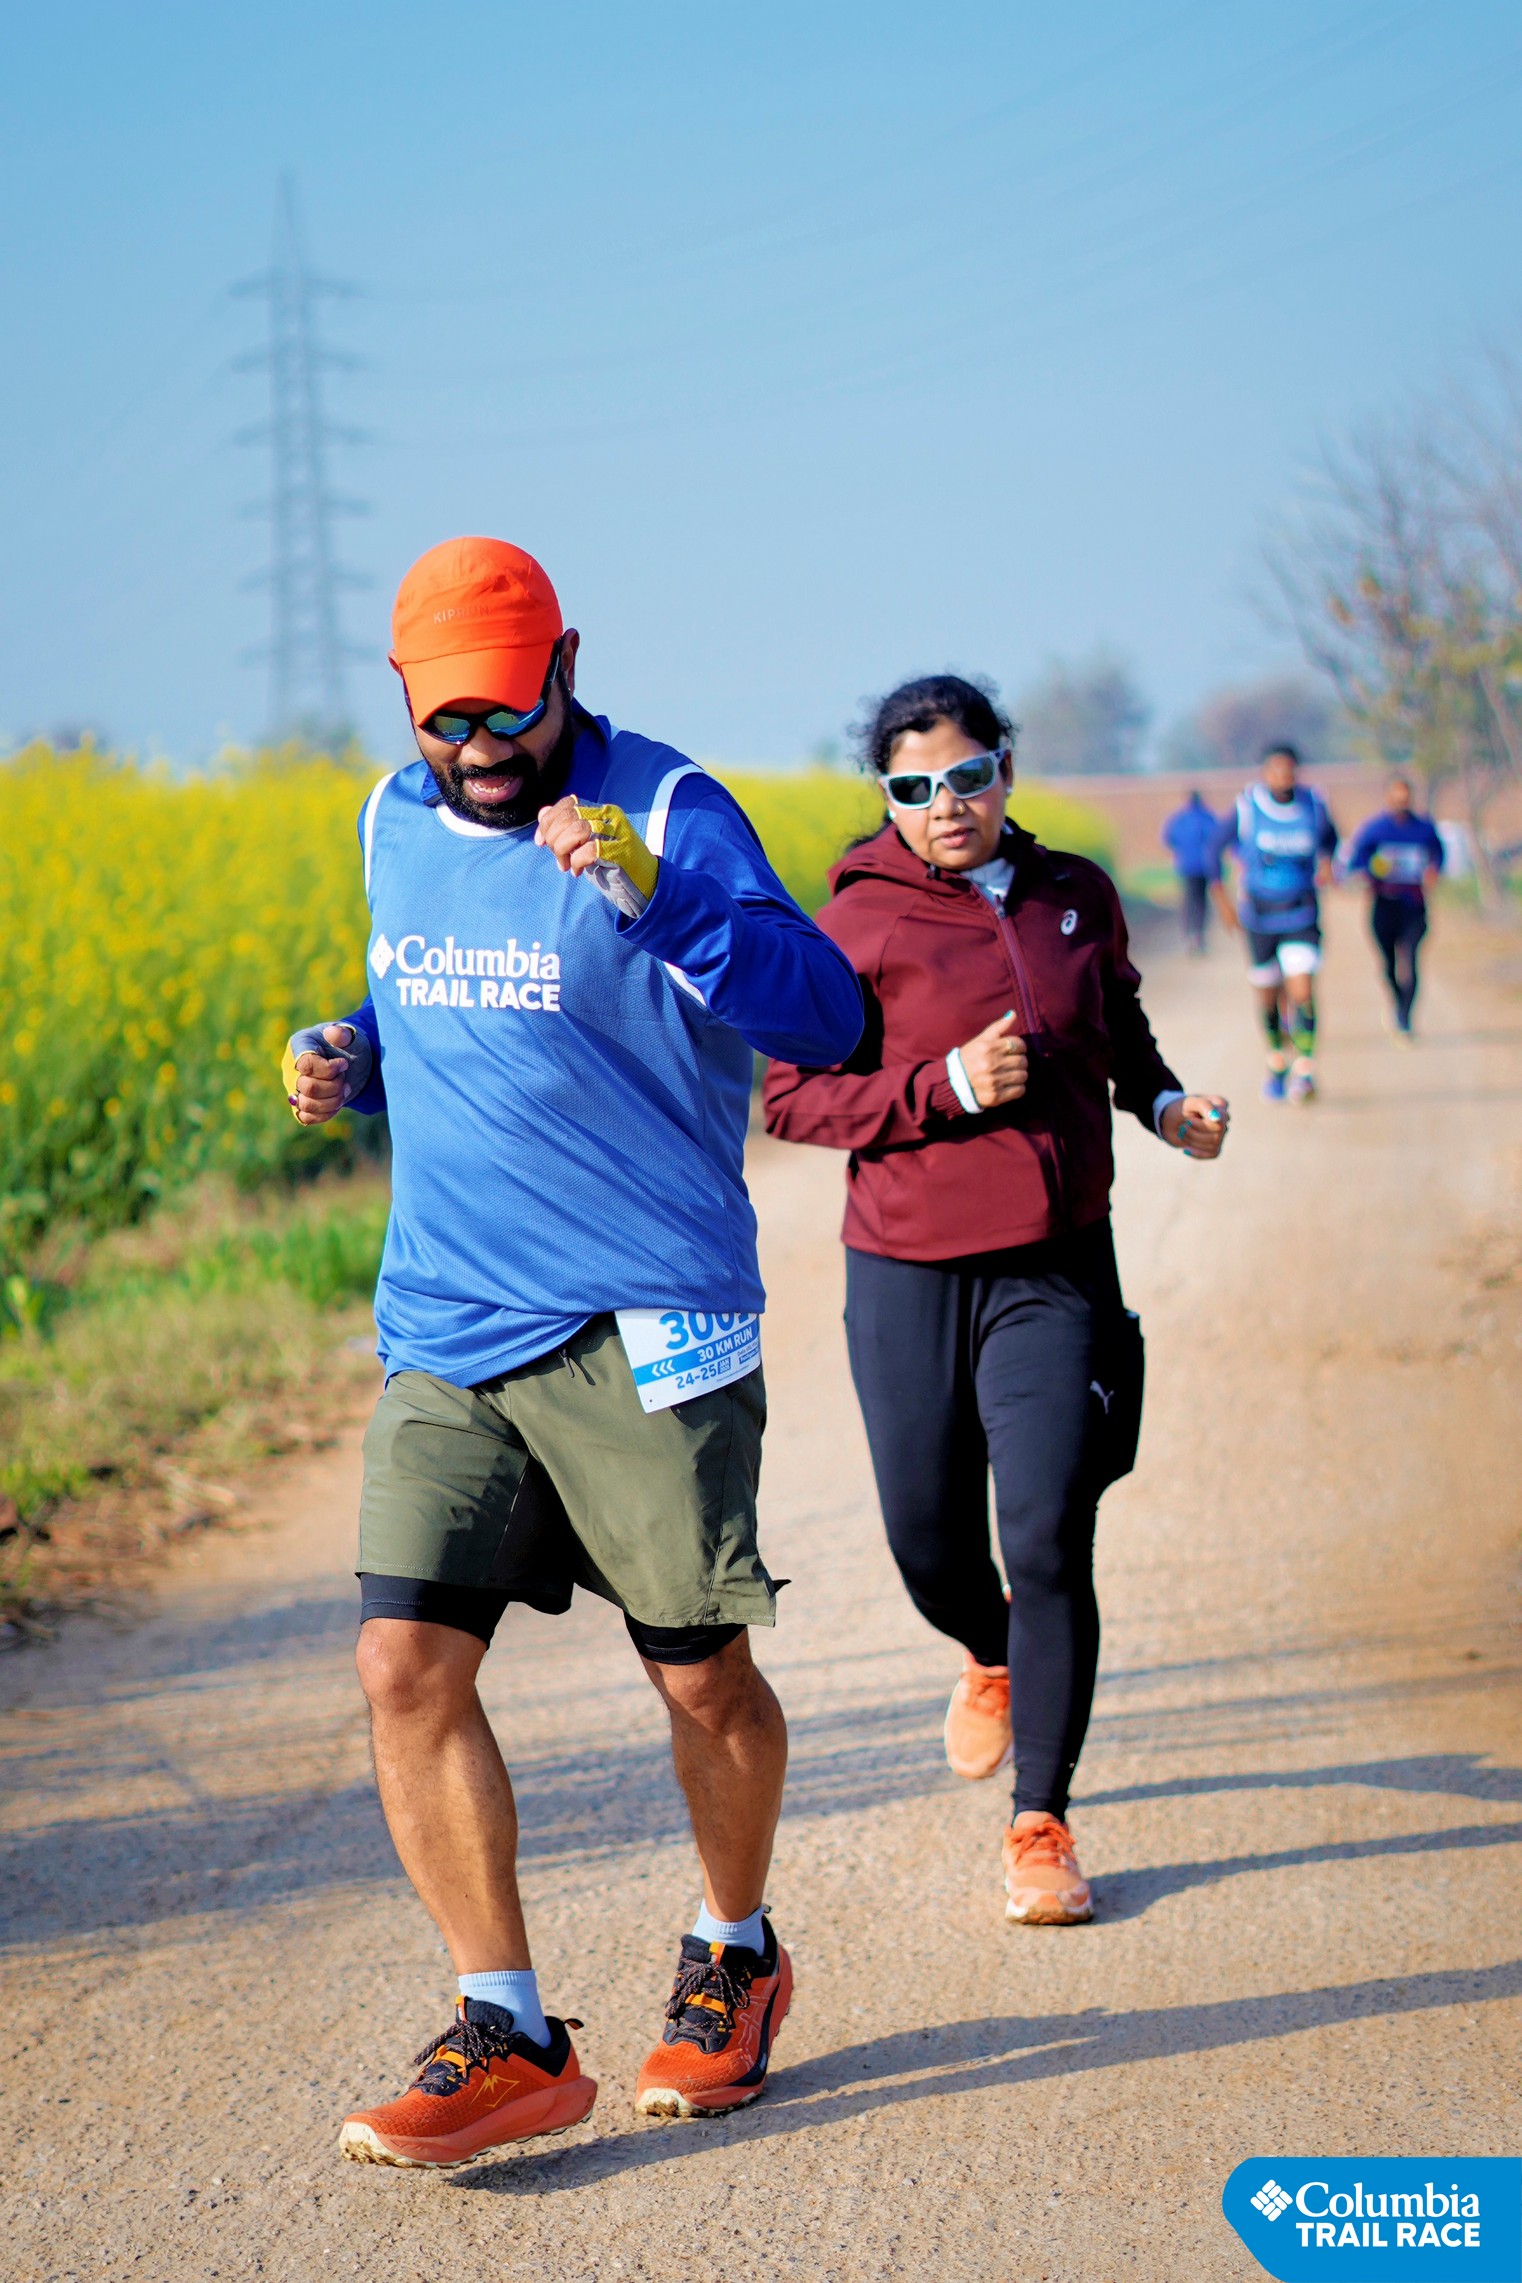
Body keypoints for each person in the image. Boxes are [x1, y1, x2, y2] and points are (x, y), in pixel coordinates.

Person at [283, 536, 862, 2167]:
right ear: (405, 699)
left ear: (568, 665)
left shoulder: (667, 805)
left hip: (645, 1311)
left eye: (509, 707)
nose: (480, 744)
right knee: (403, 1664)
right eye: (446, 715)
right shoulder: (388, 819)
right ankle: (508, 2030)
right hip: (450, 1318)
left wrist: (661, 896)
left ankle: (734, 1952)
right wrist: (354, 1052)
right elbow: (438, 999)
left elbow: (828, 1017)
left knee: (698, 1673)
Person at [762, 675, 1229, 1928]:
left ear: (1004, 771)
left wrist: (1164, 1104)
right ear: (887, 798)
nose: (947, 803)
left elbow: (1117, 1025)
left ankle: (1041, 1823)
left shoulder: (1077, 894)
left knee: (1047, 1536)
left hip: (1056, 1267)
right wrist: (946, 1087)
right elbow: (790, 1099)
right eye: (915, 786)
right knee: (929, 1549)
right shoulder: (851, 925)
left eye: (967, 776)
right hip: (906, 1270)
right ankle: (987, 1652)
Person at [1212, 742, 1338, 1104]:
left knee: (1302, 992)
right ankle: (1277, 1059)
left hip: (1301, 913)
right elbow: (1212, 850)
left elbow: (1331, 839)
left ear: (1297, 772)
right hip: (1259, 917)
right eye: (1276, 770)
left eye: (1289, 770)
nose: (1283, 776)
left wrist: (1327, 863)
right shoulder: (1247, 808)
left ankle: (1305, 1070)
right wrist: (1223, 902)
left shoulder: (1313, 805)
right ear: (1265, 773)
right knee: (1269, 996)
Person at [1342, 774, 1444, 1040]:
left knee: (1410, 960)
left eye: (1405, 796)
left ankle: (1405, 1017)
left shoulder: (1424, 829)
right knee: (1388, 964)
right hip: (1384, 905)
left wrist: (1434, 870)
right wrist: (1371, 871)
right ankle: (1397, 1002)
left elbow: (1438, 854)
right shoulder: (1375, 829)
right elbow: (1357, 861)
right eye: (1396, 796)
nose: (1401, 801)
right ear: (1388, 797)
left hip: (1413, 906)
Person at [1161, 787, 1221, 953]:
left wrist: (1180, 851)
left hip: (1186, 866)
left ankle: (1189, 935)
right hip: (1204, 866)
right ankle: (1199, 935)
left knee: (1188, 900)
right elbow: (1217, 839)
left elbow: (1167, 839)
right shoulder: (1207, 817)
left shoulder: (1179, 819)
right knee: (1201, 901)